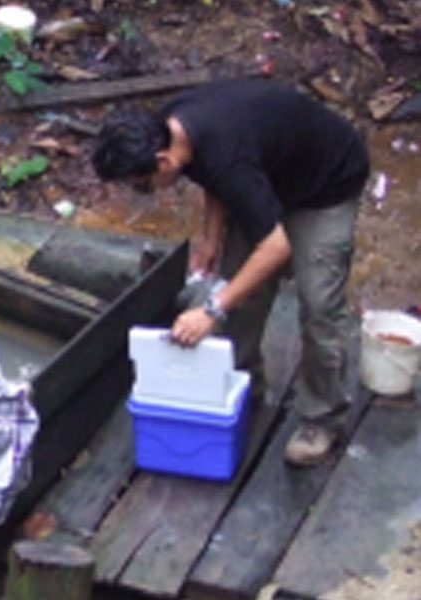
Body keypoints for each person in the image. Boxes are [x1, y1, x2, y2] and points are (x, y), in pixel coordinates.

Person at [91, 78, 369, 467]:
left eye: (143, 185)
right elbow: (212, 175)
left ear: (163, 162)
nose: (144, 191)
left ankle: (322, 419)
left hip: (327, 183)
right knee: (239, 288)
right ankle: (243, 384)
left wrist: (211, 311)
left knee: (319, 304)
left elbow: (275, 248)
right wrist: (211, 236)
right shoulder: (172, 128)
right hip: (266, 179)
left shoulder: (225, 153)